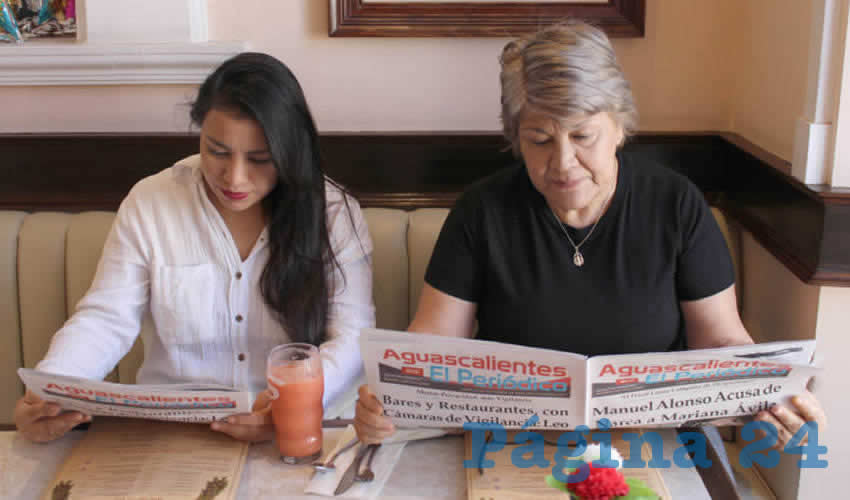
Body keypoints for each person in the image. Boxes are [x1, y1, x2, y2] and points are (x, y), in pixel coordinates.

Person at [354, 20, 826, 449]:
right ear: (514, 136)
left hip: (649, 446)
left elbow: (722, 345)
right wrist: (390, 403)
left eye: (582, 136)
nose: (562, 163)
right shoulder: (483, 210)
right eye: (539, 139)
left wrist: (769, 401)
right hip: (515, 445)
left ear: (620, 126)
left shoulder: (676, 205)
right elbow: (432, 350)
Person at [15, 52, 375, 443]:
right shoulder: (151, 201)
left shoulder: (333, 212)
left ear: (290, 152)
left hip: (300, 430)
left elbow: (353, 336)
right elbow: (106, 320)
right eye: (217, 151)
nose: (234, 177)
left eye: (260, 159)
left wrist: (294, 405)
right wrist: (50, 390)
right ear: (199, 130)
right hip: (173, 434)